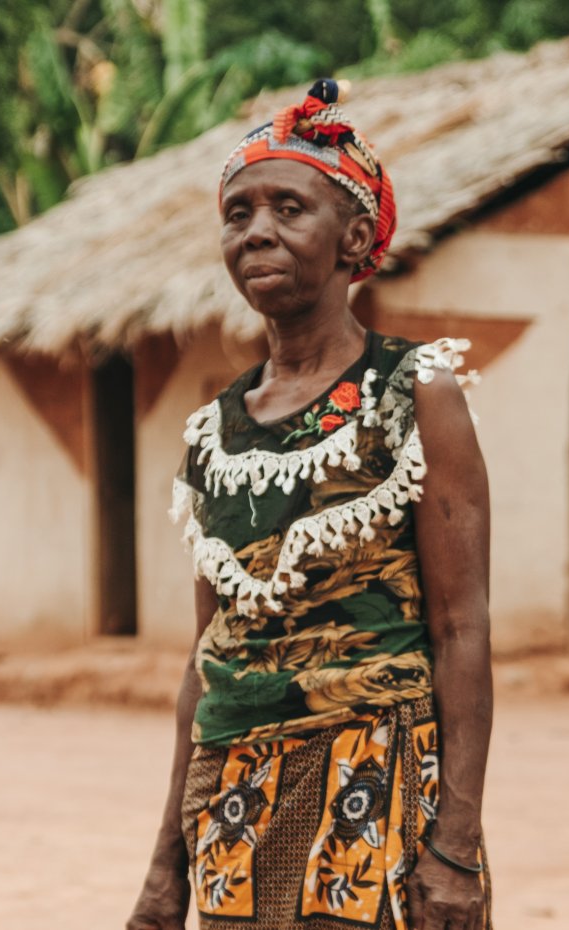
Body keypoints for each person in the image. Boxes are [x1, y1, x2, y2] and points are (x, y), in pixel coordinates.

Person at [127, 79, 493, 930]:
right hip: (229, 804)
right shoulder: (212, 434)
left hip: (379, 787)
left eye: (289, 208)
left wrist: (457, 844)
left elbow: (462, 628)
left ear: (354, 238)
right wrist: (163, 865)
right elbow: (205, 657)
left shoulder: (415, 393)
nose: (257, 230)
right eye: (238, 213)